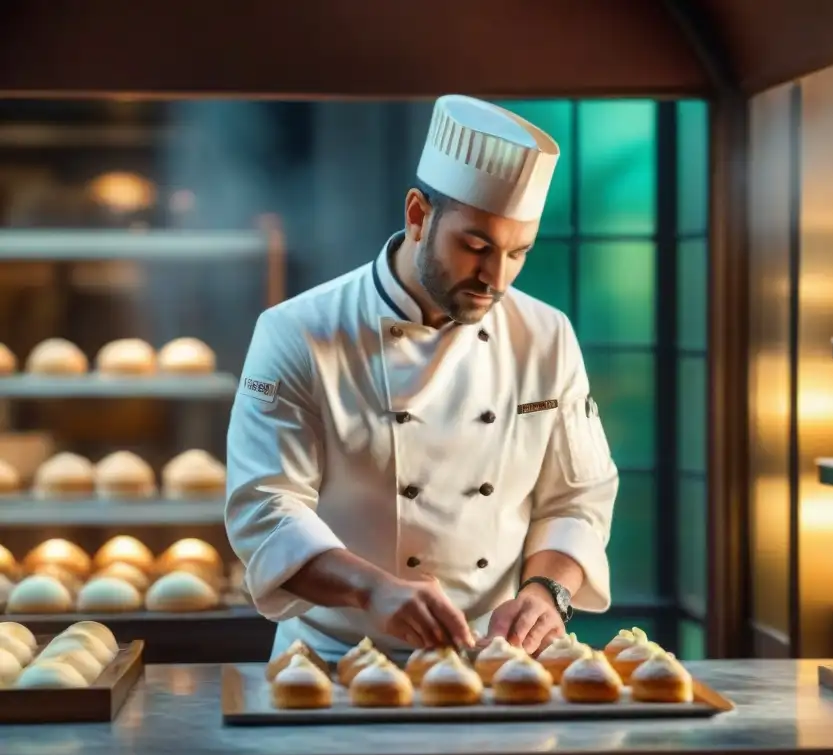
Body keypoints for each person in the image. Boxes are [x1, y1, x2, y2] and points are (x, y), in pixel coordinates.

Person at [225, 94, 618, 663]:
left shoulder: (546, 335)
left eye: (518, 254)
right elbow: (265, 508)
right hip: (333, 664)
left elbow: (579, 497)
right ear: (417, 215)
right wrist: (372, 589)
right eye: (476, 246)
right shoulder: (298, 332)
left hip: (494, 664)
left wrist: (547, 591)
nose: (495, 278)